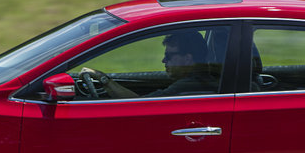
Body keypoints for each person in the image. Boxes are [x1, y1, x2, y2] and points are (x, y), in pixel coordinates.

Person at [80, 32, 218, 99]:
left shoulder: (188, 86)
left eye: (169, 56)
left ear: (187, 59)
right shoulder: (200, 80)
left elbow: (138, 104)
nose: (164, 60)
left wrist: (104, 80)